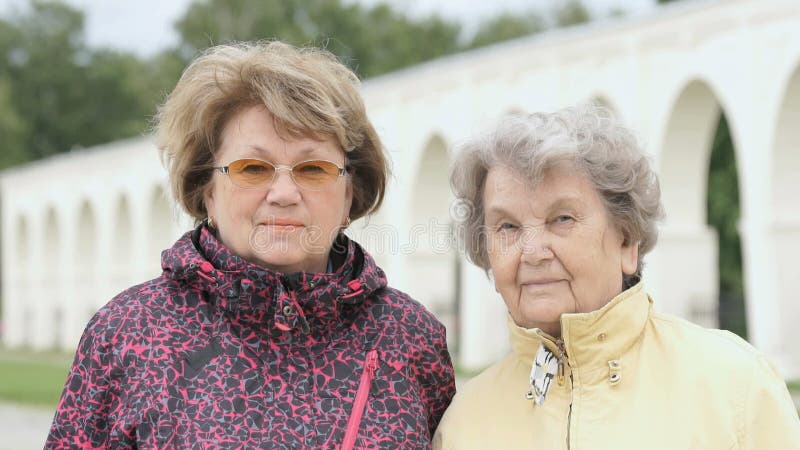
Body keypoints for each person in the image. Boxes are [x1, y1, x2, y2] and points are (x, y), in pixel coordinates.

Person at [47, 41, 455, 449]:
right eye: (253, 168)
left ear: (351, 192)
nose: (283, 193)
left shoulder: (410, 338)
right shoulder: (127, 333)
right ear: (207, 189)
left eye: (312, 169)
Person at [434, 104, 800, 449]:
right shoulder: (464, 425)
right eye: (508, 226)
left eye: (562, 219)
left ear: (627, 241)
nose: (532, 251)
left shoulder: (737, 387)